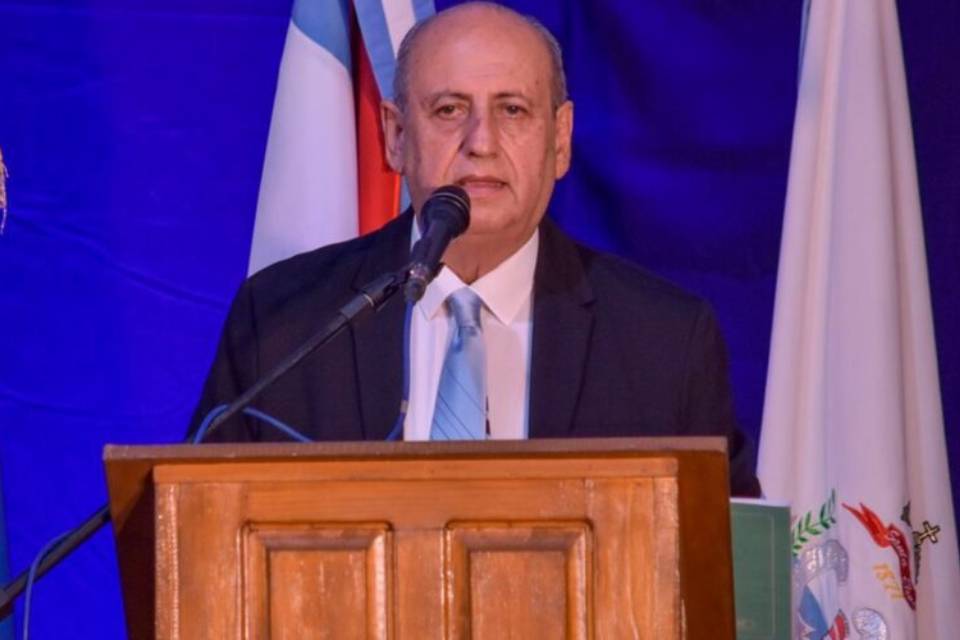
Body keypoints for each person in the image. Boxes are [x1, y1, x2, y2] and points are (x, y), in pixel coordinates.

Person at [191, 2, 761, 497]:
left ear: (561, 139)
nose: (481, 143)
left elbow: (726, 562)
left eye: (512, 110)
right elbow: (202, 536)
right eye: (449, 110)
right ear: (396, 136)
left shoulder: (664, 342)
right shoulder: (284, 322)